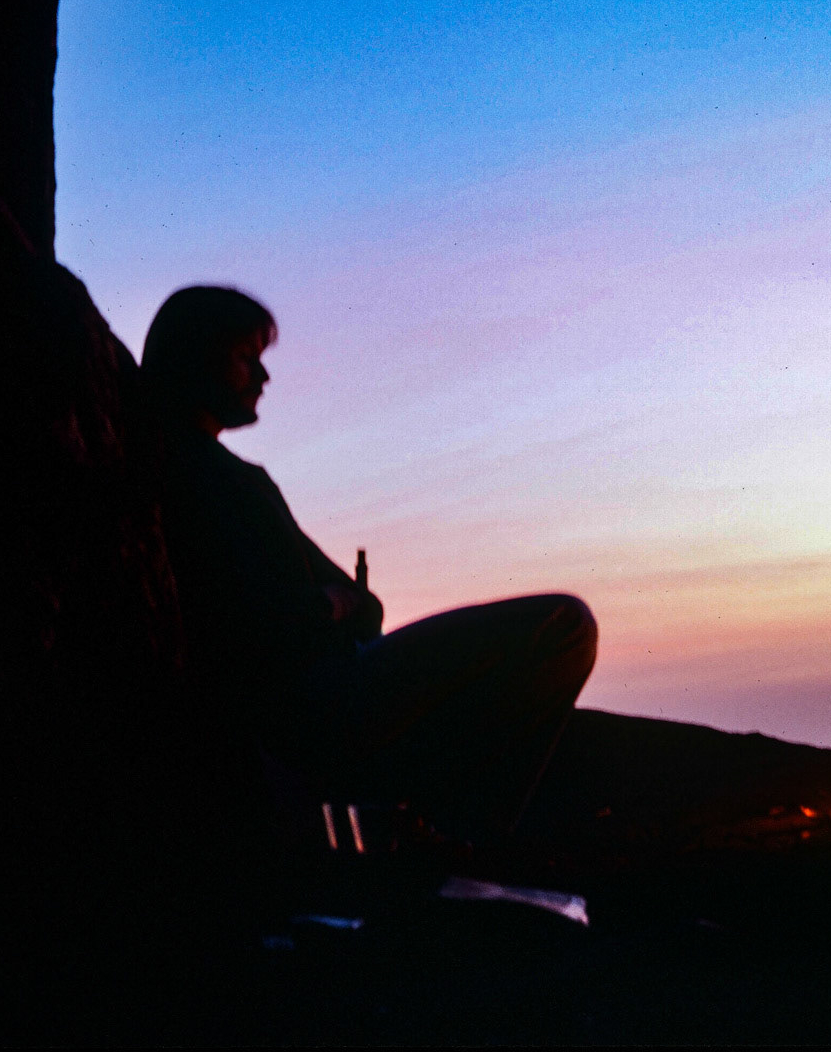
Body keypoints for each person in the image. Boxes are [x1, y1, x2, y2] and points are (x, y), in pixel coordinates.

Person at [141, 286, 597, 847]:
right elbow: (256, 614)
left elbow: (363, 605)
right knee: (564, 625)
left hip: (326, 684)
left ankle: (449, 839)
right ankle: (468, 845)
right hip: (311, 704)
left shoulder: (230, 473)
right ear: (194, 355)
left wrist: (340, 605)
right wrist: (332, 606)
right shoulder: (193, 471)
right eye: (245, 357)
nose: (263, 377)